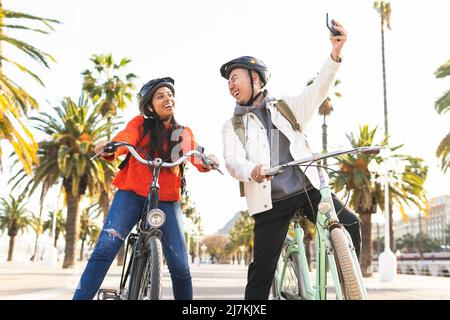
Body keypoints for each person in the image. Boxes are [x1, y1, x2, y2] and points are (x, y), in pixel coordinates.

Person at [220, 20, 361, 300]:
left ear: (256, 78)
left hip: (308, 189)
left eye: (235, 77)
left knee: (352, 224)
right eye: (228, 81)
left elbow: (318, 89)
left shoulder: (285, 107)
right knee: (261, 272)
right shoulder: (232, 125)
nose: (231, 84)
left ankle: (352, 292)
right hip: (270, 202)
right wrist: (253, 170)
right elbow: (233, 162)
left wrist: (335, 54)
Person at [73, 77, 219, 300]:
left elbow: (194, 152)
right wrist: (111, 147)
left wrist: (206, 159)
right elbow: (126, 138)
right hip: (131, 195)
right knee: (105, 248)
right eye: (160, 96)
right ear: (150, 106)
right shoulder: (140, 125)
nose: (167, 98)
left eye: (170, 95)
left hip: (167, 200)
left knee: (180, 264)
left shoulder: (181, 133)